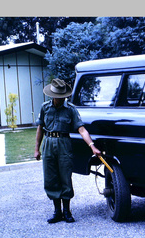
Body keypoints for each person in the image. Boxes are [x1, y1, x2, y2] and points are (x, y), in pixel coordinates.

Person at [34, 78, 101, 224]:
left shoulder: (70, 109)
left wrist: (92, 146)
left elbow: (82, 130)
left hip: (64, 143)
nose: (59, 99)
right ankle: (57, 212)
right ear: (52, 95)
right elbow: (40, 128)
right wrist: (37, 149)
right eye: (57, 96)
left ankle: (67, 211)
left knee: (65, 176)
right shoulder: (45, 108)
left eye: (62, 96)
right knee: (51, 177)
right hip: (49, 143)